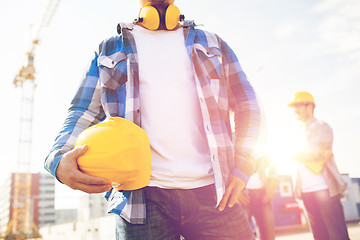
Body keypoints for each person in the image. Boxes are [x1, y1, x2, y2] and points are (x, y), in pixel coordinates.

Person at [44, 0, 262, 239]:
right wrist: (57, 159)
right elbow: (82, 111)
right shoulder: (108, 49)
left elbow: (246, 103)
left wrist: (244, 161)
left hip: (215, 195)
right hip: (140, 202)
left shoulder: (213, 44)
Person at [288, 91, 349, 240]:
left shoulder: (321, 126)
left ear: (310, 107)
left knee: (337, 236)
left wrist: (293, 154)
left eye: (298, 106)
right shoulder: (297, 132)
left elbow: (319, 153)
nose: (295, 110)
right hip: (306, 192)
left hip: (325, 190)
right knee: (320, 236)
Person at [238, 154, 278, 240]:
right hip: (243, 193)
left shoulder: (263, 143)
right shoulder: (238, 142)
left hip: (263, 194)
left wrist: (271, 188)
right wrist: (236, 192)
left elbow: (272, 164)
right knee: (241, 235)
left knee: (269, 236)